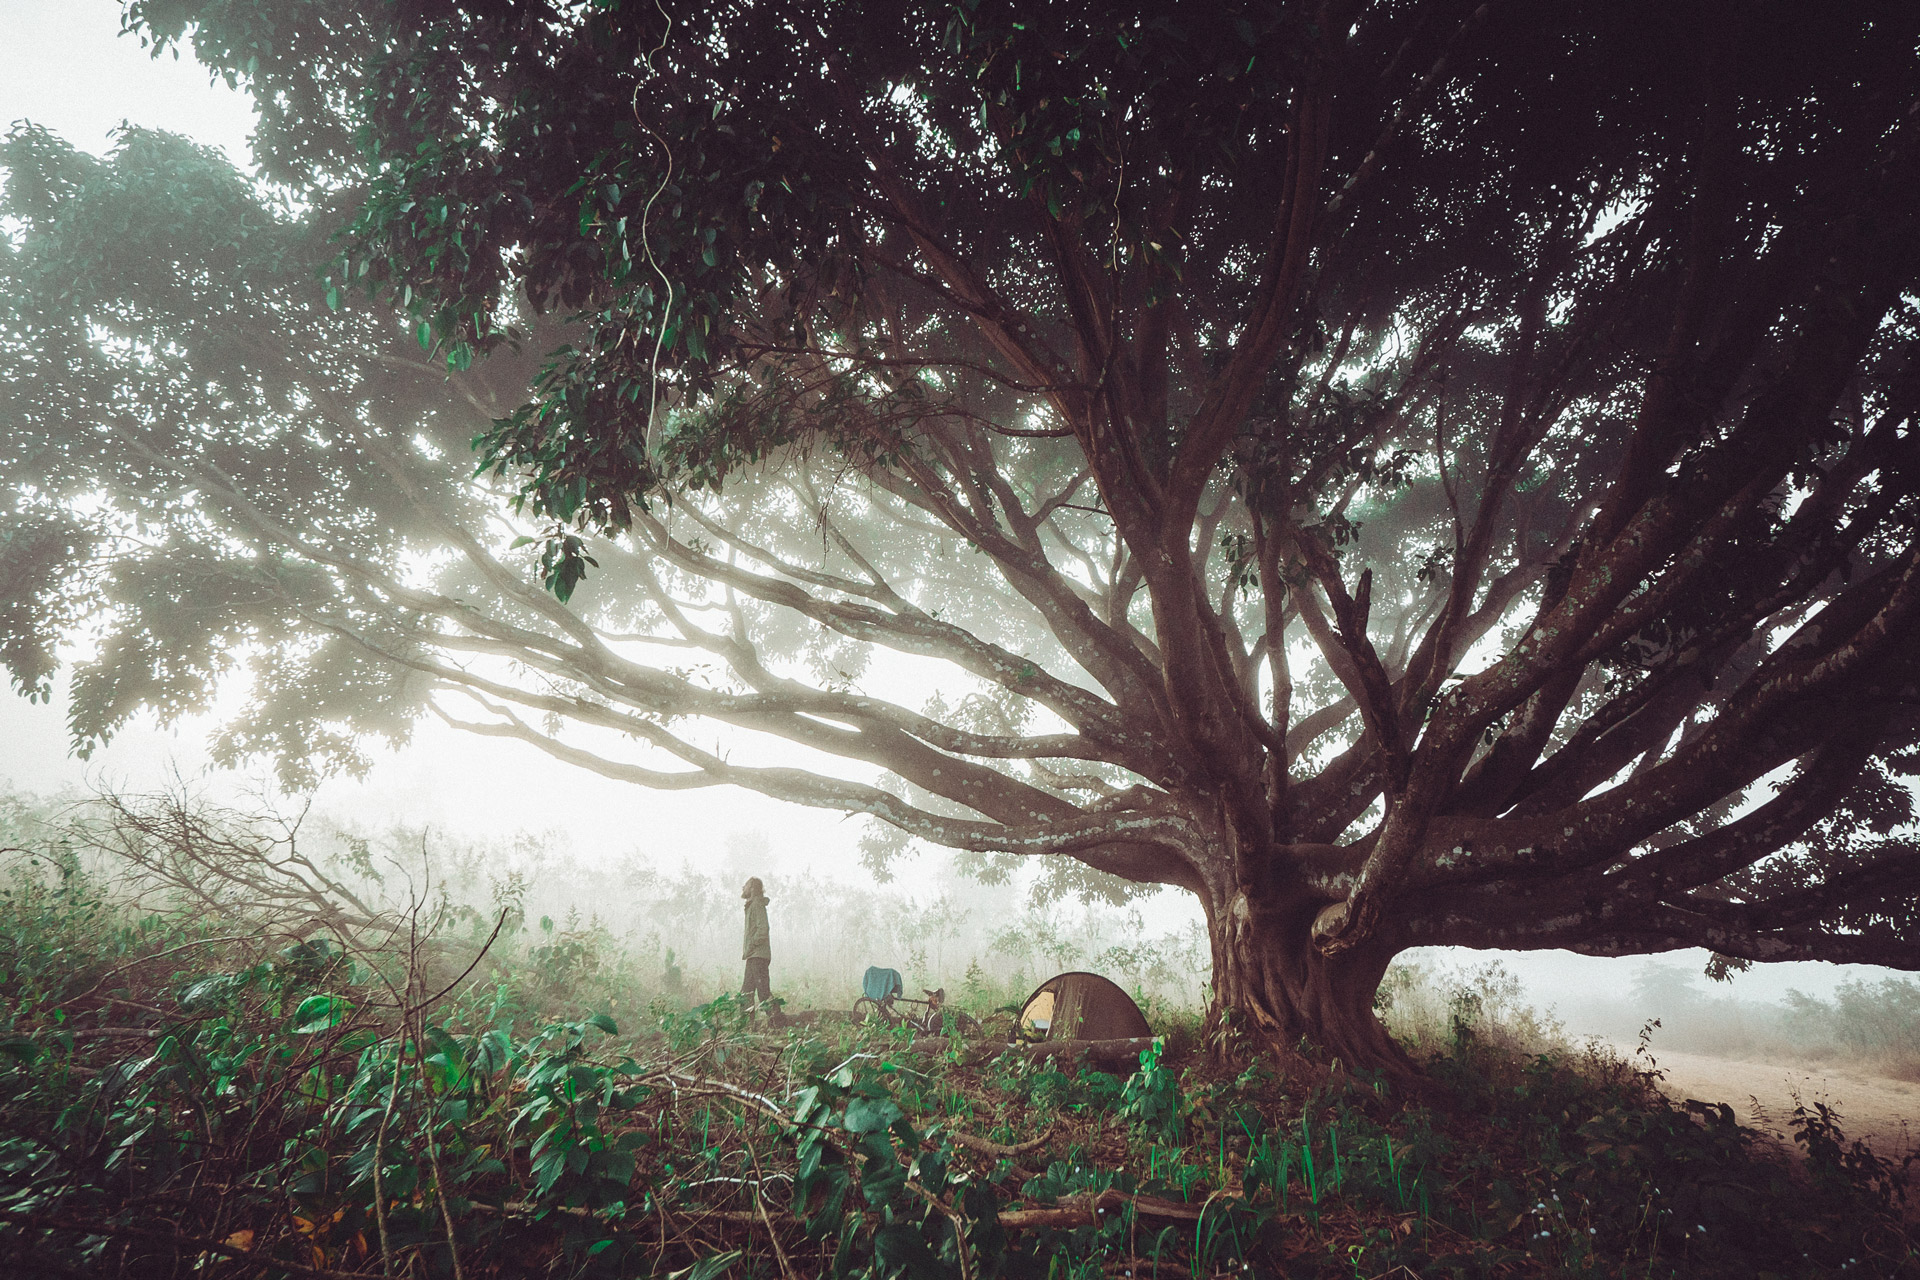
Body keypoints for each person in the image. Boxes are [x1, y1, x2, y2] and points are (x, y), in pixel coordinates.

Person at [740, 876, 771, 1006]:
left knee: (763, 992)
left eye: (746, 885)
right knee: (746, 992)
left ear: (752, 888)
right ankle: (746, 1024)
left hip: (758, 955)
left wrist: (752, 943)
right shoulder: (752, 905)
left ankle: (778, 1022)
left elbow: (763, 928)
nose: (743, 887)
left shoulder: (757, 904)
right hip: (753, 955)